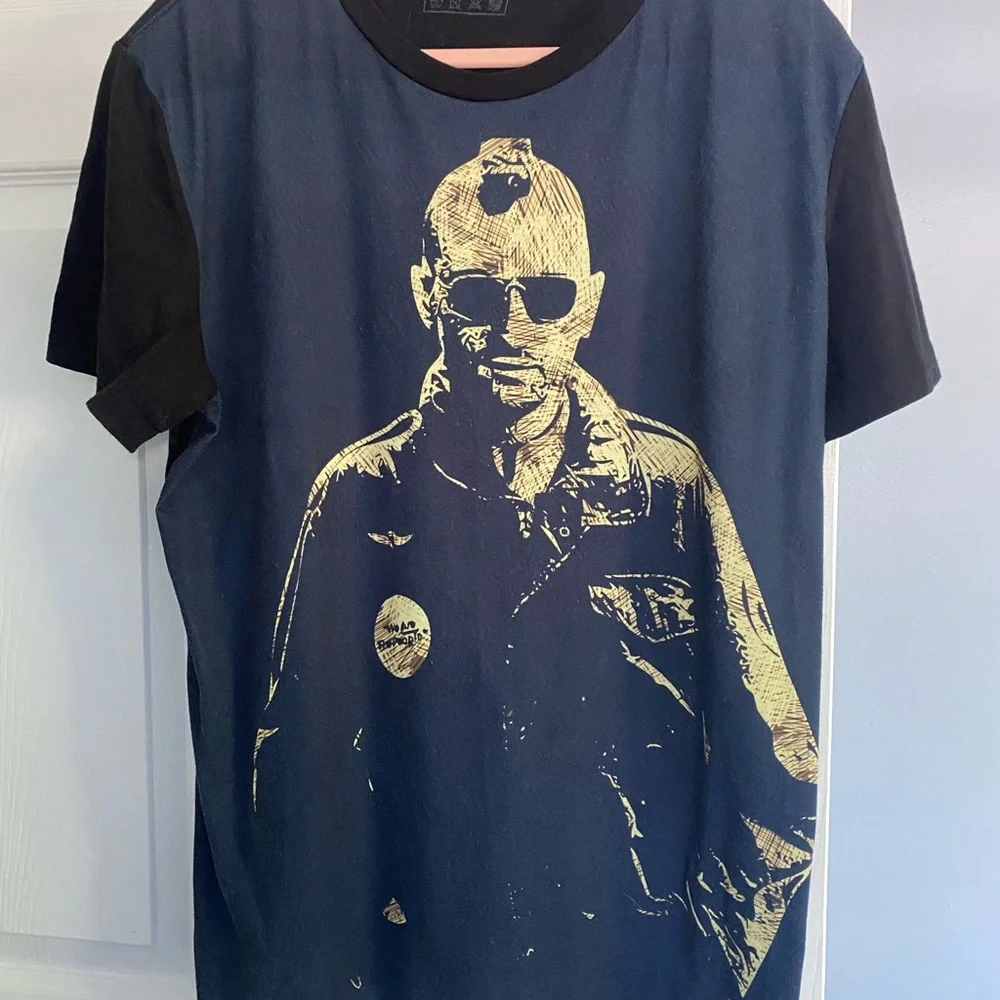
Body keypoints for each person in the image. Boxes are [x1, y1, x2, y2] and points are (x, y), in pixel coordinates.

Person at [253, 137, 819, 998]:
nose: (514, 330)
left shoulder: (668, 488)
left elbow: (778, 758)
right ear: (427, 294)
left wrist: (704, 958)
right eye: (477, 295)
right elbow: (295, 767)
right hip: (421, 972)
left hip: (629, 971)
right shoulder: (361, 492)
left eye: (546, 295)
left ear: (588, 304)